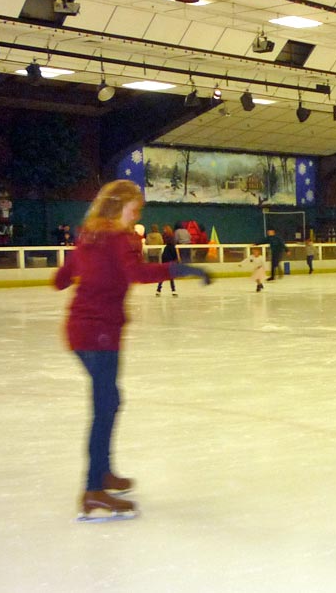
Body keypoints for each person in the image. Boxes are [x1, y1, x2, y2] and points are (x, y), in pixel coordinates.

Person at [54, 180, 210, 522]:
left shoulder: (89, 235)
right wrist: (179, 268)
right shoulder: (121, 237)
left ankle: (104, 473)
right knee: (104, 406)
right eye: (134, 208)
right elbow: (136, 273)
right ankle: (94, 490)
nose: (136, 214)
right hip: (101, 333)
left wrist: (80, 275)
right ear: (120, 207)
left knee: (109, 402)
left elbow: (62, 278)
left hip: (79, 331)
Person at [156, 225, 179, 297]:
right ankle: (173, 290)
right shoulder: (172, 247)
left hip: (166, 262)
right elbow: (174, 256)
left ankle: (158, 290)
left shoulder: (166, 248)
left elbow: (164, 256)